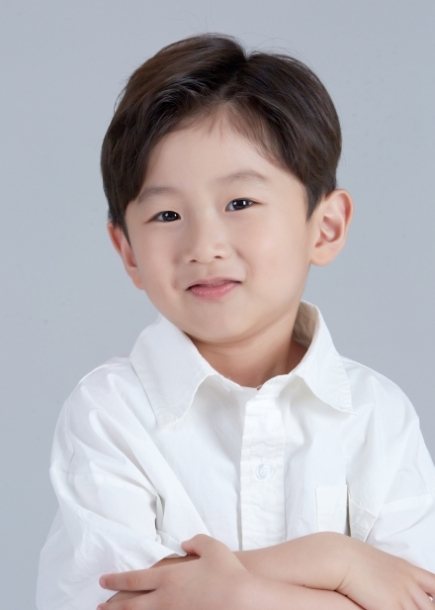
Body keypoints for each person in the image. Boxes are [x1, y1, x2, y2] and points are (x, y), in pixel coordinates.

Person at [36, 34, 435, 610]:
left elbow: (416, 600)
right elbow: (121, 604)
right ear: (128, 252)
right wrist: (337, 562)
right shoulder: (109, 412)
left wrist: (222, 590)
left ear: (324, 227)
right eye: (167, 214)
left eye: (239, 204)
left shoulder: (379, 416)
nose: (205, 245)